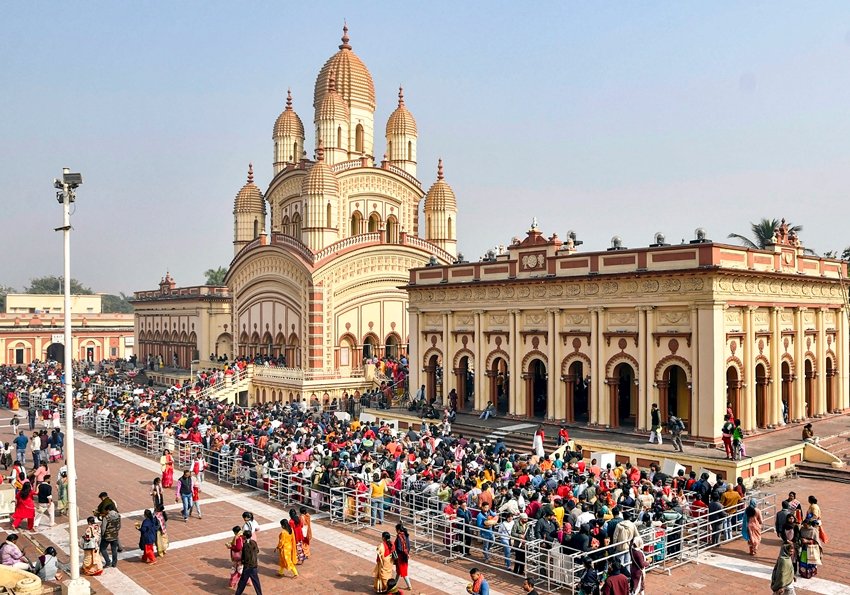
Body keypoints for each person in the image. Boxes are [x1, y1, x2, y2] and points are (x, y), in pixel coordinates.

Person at [234, 530, 263, 595]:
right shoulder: (253, 542)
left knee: (242, 582)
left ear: (245, 536)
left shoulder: (245, 545)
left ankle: (238, 593)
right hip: (254, 565)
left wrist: (242, 561)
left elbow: (246, 556)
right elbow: (257, 551)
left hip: (248, 566)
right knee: (256, 582)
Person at [100, 503, 121, 568]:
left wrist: (102, 534)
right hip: (115, 535)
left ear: (108, 510)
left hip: (107, 536)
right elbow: (119, 526)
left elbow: (103, 527)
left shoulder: (106, 517)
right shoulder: (118, 515)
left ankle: (108, 561)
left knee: (102, 549)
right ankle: (114, 563)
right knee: (114, 549)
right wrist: (116, 531)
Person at [394, 522, 412, 591]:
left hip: (401, 556)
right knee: (399, 570)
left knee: (403, 572)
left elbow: (398, 548)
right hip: (405, 554)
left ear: (398, 530)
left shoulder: (399, 537)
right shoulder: (406, 535)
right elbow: (408, 546)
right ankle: (395, 583)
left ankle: (409, 586)